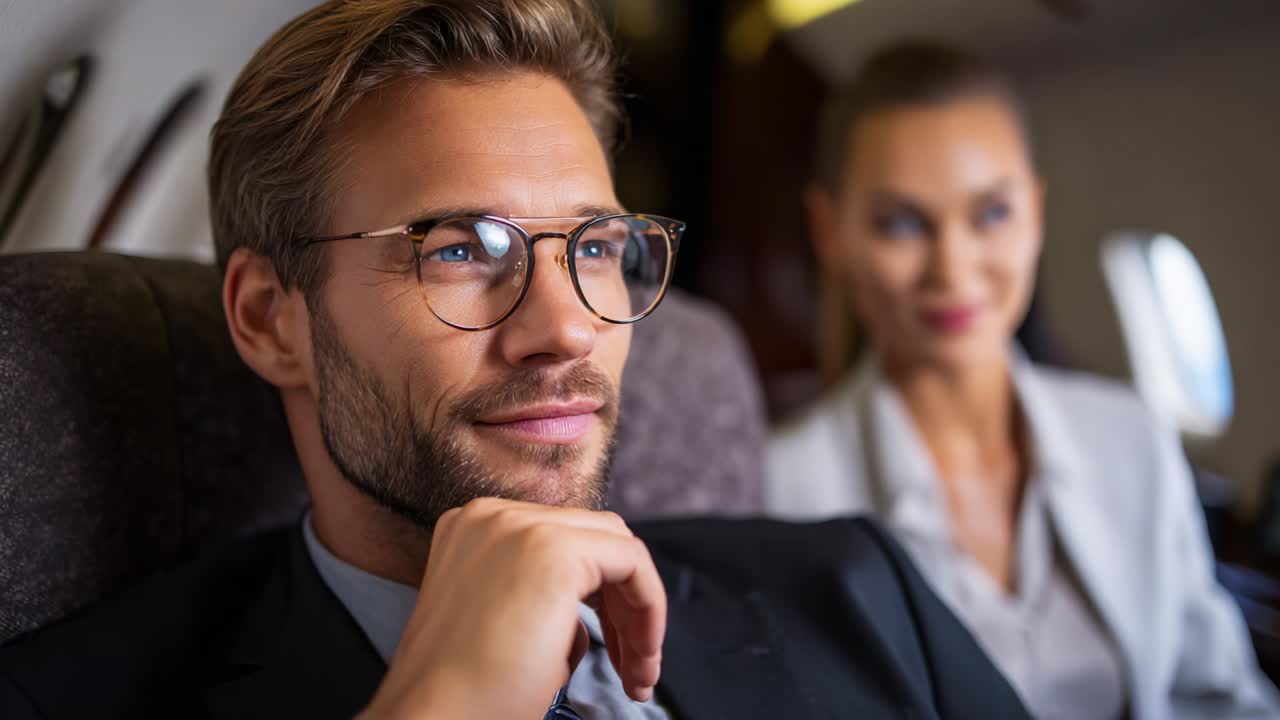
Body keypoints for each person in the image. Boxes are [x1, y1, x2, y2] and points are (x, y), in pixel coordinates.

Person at [0, 3, 1031, 718]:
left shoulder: (858, 592)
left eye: (593, 249)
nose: (566, 329)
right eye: (461, 250)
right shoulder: (63, 700)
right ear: (272, 319)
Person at [766, 41, 1279, 719]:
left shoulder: (1131, 437)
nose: (953, 268)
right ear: (830, 231)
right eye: (901, 223)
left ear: (1035, 211)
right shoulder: (780, 490)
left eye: (991, 214)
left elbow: (1219, 699)